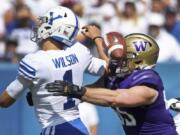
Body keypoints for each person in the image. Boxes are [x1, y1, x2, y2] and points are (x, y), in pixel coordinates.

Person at [0, 6, 106, 135]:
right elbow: (107, 68)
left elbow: (4, 101)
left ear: (58, 29)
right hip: (79, 128)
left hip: (55, 129)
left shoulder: (35, 61)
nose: (40, 27)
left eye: (46, 23)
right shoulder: (79, 51)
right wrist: (98, 39)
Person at [46, 33, 178, 135]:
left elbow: (116, 98)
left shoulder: (148, 82)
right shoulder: (119, 78)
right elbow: (89, 91)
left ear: (138, 62)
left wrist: (75, 91)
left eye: (125, 57)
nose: (119, 60)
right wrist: (49, 95)